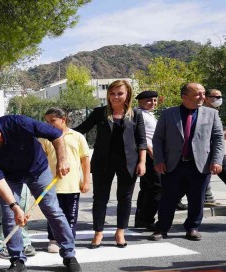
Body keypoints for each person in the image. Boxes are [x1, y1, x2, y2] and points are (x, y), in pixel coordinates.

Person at [0, 115, 82, 272]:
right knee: (9, 216)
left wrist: (62, 160)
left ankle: (69, 254)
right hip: (9, 178)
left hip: (38, 170)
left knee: (52, 210)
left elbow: (56, 134)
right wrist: (15, 206)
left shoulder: (18, 123)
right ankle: (17, 260)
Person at [74, 79, 147, 248]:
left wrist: (142, 162)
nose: (115, 97)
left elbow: (141, 140)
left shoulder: (136, 114)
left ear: (127, 94)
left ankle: (120, 231)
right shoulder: (99, 112)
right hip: (102, 161)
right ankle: (98, 232)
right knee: (100, 198)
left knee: (125, 198)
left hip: (129, 162)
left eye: (120, 93)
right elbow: (81, 130)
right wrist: (58, 132)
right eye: (112, 93)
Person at [149, 83, 224, 242]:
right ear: (184, 97)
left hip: (200, 164)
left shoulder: (211, 114)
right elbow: (158, 139)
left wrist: (217, 160)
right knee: (168, 198)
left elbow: (218, 139)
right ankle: (162, 228)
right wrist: (159, 160)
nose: (203, 97)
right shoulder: (168, 114)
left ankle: (192, 227)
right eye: (198, 94)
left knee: (197, 198)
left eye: (204, 93)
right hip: (173, 164)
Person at [40, 108, 91, 253]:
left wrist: (86, 180)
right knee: (52, 213)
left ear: (63, 119)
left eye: (53, 121)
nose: (49, 124)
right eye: (47, 121)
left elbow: (85, 159)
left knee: (70, 215)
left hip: (72, 185)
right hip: (51, 184)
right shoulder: (45, 138)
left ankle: (69, 239)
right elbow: (40, 159)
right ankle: (53, 239)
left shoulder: (77, 136)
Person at [133, 90, 162, 231]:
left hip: (151, 155)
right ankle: (147, 219)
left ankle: (141, 218)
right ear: (140, 101)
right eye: (149, 100)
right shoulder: (139, 114)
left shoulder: (148, 114)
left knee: (147, 188)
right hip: (149, 156)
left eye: (154, 100)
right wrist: (152, 154)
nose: (153, 103)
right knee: (156, 187)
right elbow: (142, 137)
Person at [203, 88, 226, 197]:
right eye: (216, 97)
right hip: (207, 150)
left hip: (215, 150)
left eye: (220, 97)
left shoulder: (214, 112)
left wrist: (225, 135)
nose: (219, 99)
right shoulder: (201, 112)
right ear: (206, 98)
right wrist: (223, 134)